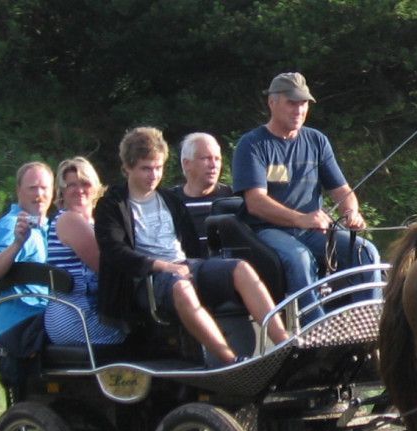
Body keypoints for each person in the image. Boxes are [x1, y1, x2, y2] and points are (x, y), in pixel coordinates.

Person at [93, 127, 292, 367]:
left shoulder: (169, 200)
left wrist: (205, 271)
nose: (153, 175)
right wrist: (164, 266)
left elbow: (190, 248)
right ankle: (231, 360)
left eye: (158, 167)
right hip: (147, 279)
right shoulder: (112, 205)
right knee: (182, 287)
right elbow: (115, 252)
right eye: (146, 168)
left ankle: (285, 345)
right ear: (127, 168)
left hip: (184, 266)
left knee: (241, 268)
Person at [232, 72, 380, 313]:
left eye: (303, 104)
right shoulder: (252, 145)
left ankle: (365, 320)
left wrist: (351, 212)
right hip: (267, 229)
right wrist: (302, 219)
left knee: (365, 251)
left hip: (312, 229)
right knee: (299, 258)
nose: (299, 110)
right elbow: (256, 203)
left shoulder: (316, 140)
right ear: (272, 102)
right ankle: (314, 328)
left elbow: (342, 190)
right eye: (292, 103)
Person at [43, 156, 127, 348]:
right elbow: (108, 267)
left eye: (85, 183)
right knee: (145, 333)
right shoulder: (70, 220)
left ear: (95, 187)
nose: (79, 190)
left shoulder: (94, 223)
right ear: (62, 191)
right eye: (71, 185)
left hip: (83, 313)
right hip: (76, 316)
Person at [0, 162, 54, 337]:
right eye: (32, 188)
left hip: (45, 323)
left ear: (53, 191)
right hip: (21, 331)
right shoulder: (11, 226)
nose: (39, 194)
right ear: (18, 191)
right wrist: (17, 244)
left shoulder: (50, 228)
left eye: (44, 188)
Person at [174, 132, 232, 220]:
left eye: (217, 159)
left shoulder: (232, 198)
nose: (213, 165)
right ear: (187, 164)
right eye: (206, 158)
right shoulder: (169, 202)